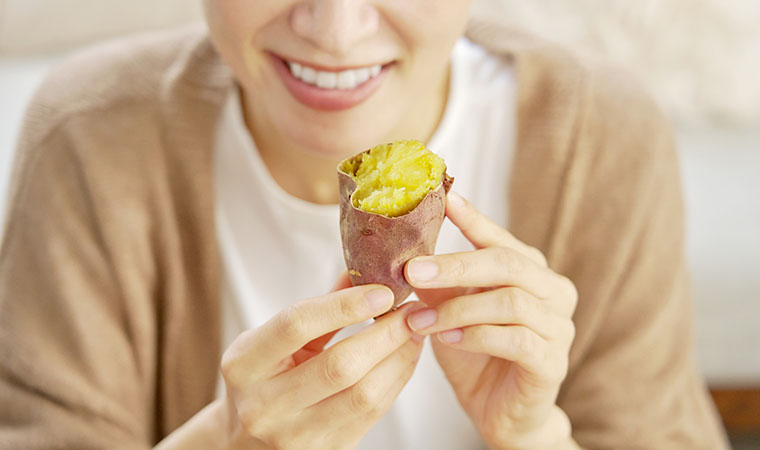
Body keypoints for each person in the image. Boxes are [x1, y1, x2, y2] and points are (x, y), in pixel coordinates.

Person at [0, 1, 730, 449]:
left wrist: (538, 436)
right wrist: (225, 442)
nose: (336, 29)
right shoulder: (86, 138)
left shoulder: (599, 135)